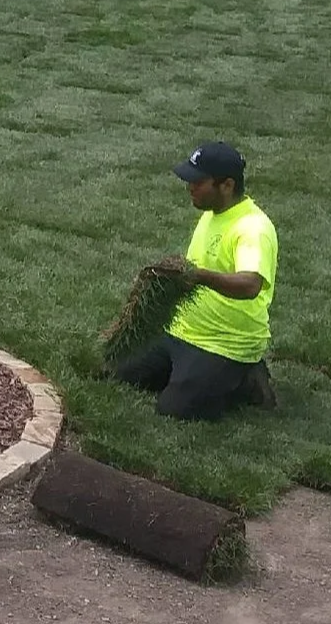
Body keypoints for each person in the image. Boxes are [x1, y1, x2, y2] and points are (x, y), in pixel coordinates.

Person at [116, 141, 279, 420]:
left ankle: (246, 377)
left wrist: (198, 276)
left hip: (225, 342)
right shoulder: (212, 214)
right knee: (119, 371)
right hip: (183, 330)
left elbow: (250, 284)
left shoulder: (253, 228)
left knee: (174, 409)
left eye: (198, 182)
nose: (190, 188)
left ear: (226, 185)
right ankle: (189, 373)